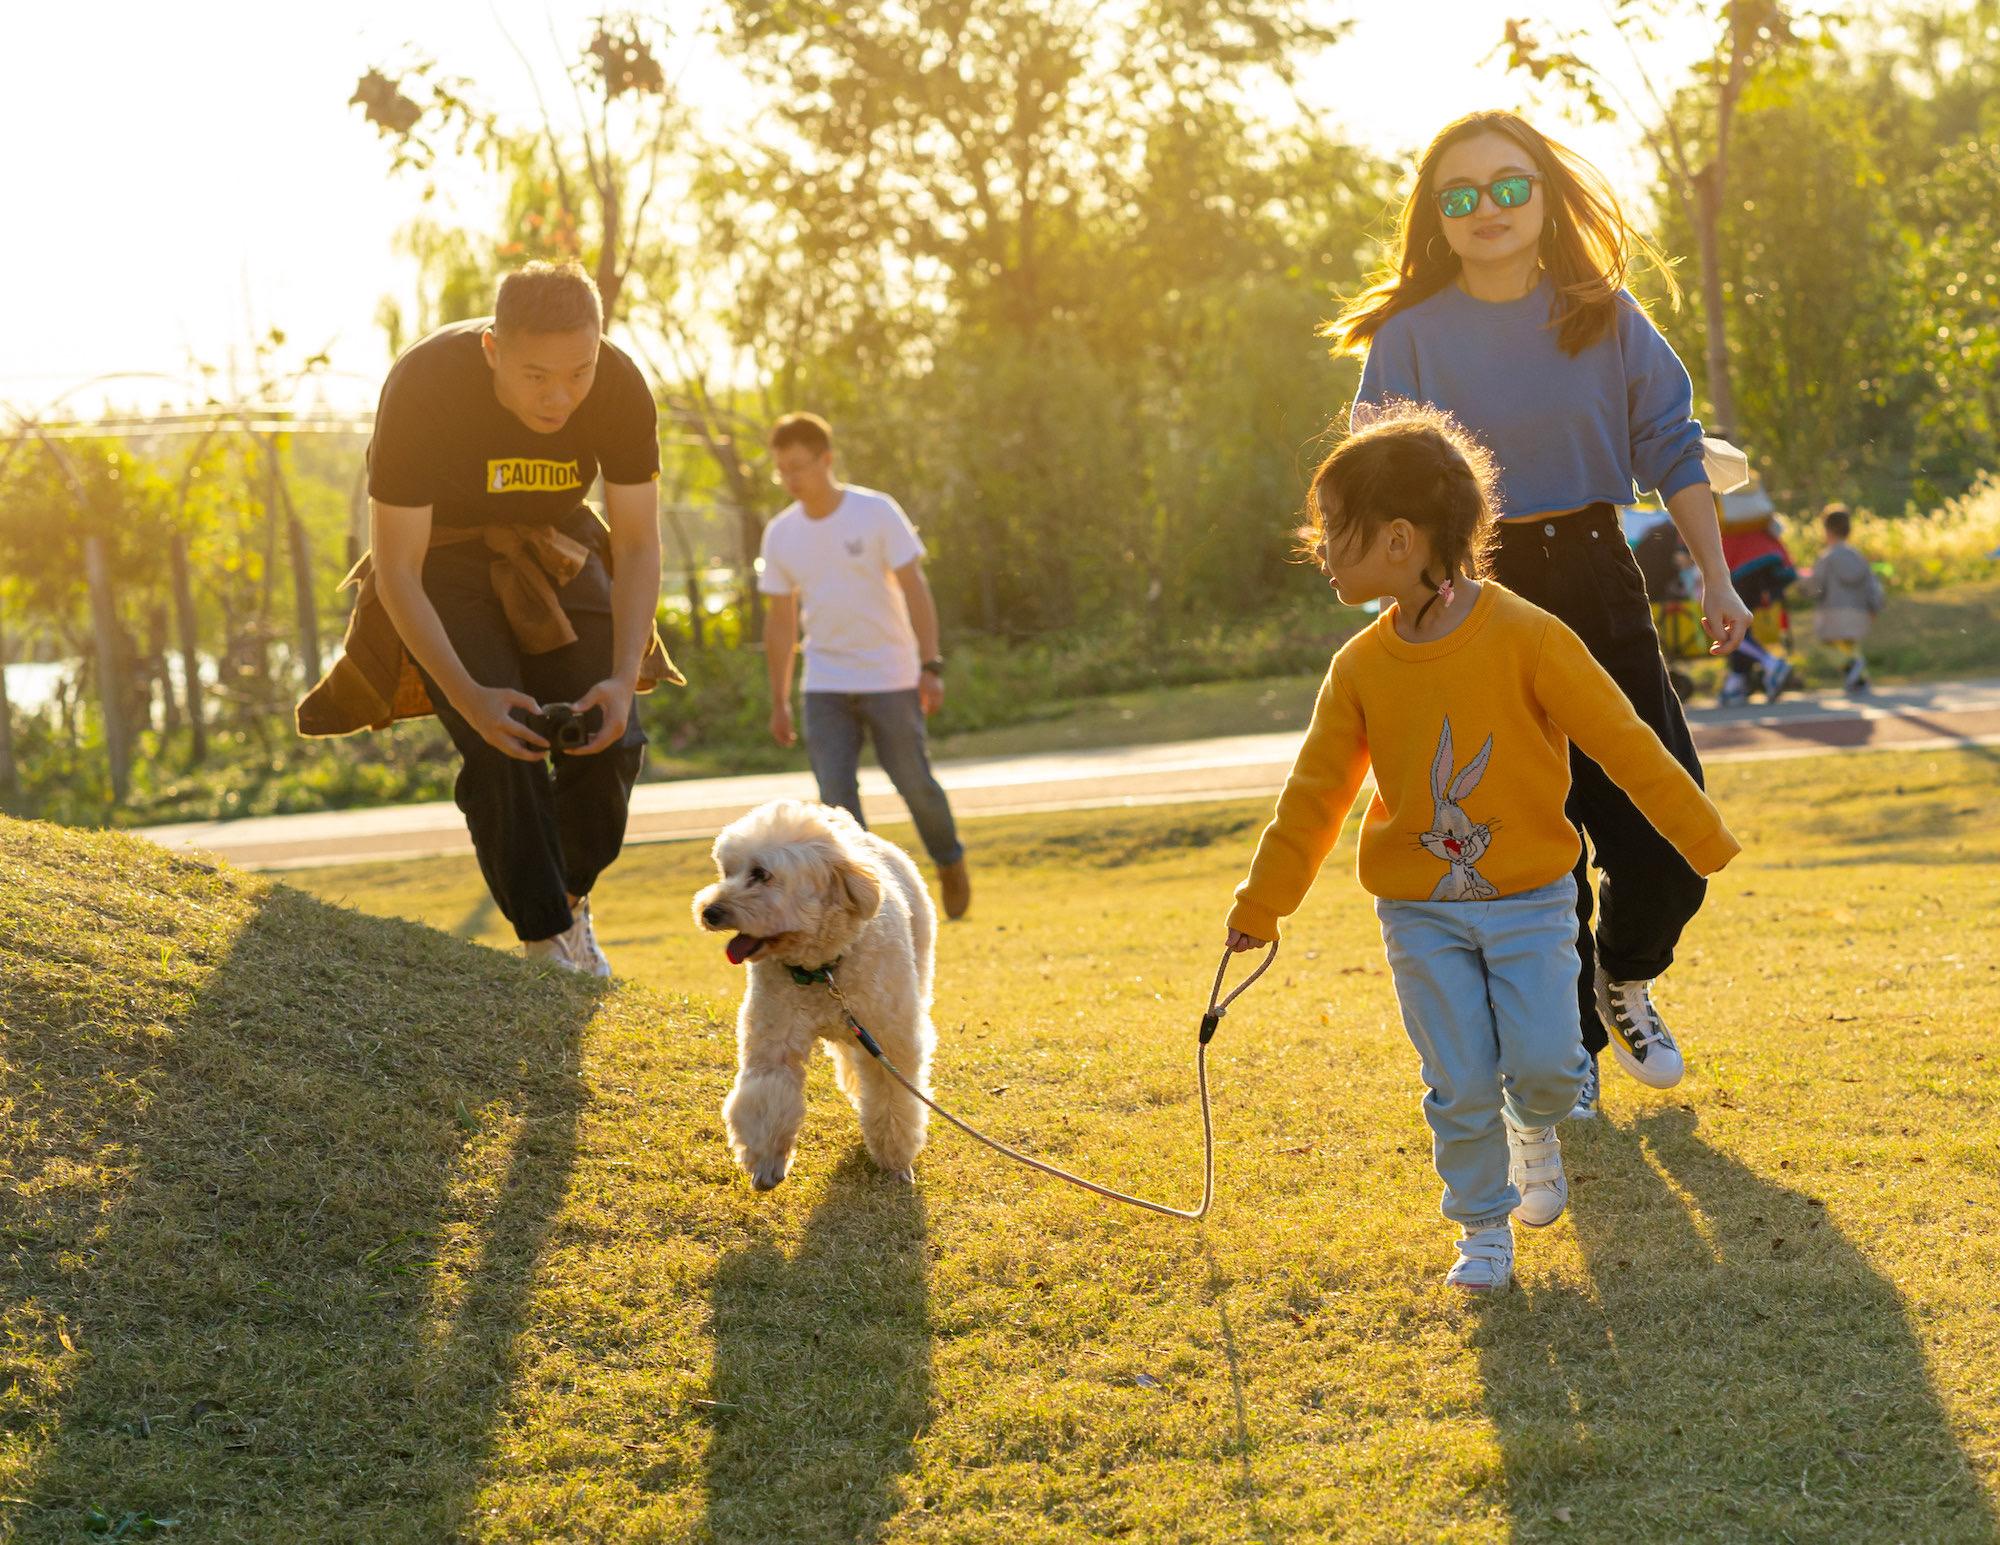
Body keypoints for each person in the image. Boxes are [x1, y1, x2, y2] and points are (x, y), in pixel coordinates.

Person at [1223, 404, 1738, 1292]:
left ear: (1395, 540)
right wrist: (1261, 905)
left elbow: (1621, 735)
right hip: (1419, 912)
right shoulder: (1358, 668)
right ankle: (1482, 1233)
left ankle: (1533, 1125)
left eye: (1330, 530)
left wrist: (1697, 833)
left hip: (1533, 900)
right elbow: (1313, 797)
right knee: (1457, 1078)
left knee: (1544, 1067)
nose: (1318, 548)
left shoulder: (1528, 635)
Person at [1329, 108, 1752, 1116]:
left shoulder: (1602, 316)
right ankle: (1565, 1061)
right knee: (1533, 834)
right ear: (1435, 212)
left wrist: (1716, 575)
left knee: (1666, 828)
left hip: (1596, 574)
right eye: (1460, 193)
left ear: (1544, 196)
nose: (1486, 208)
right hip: (1470, 591)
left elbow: (1672, 447)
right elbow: (1374, 484)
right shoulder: (1409, 337)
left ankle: (1622, 975)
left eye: (1508, 186)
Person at [299, 260, 680, 977]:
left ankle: (564, 899)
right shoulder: (424, 385)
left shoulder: (622, 386)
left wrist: (623, 679)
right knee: (506, 742)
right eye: (536, 375)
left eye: (579, 371)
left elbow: (636, 542)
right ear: (492, 350)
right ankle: (551, 949)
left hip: (555, 541)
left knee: (614, 737)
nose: (560, 396)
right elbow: (399, 570)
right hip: (443, 557)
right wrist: (470, 700)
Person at [758, 412, 971, 919]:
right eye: (782, 470)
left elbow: (916, 589)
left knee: (914, 782)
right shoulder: (781, 534)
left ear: (826, 460)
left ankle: (949, 861)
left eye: (799, 467)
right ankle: (869, 901)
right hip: (826, 683)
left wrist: (930, 664)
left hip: (890, 677)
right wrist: (780, 700)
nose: (791, 479)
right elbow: (781, 621)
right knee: (835, 799)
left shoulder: (875, 512)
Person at [1798, 504, 1885, 692]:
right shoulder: (1858, 557)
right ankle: (1860, 680)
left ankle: (1851, 668)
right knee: (1850, 645)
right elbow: (1872, 586)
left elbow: (1817, 586)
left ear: (1827, 530)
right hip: (1858, 611)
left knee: (1827, 643)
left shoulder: (1827, 558)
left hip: (1833, 612)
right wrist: (1874, 606)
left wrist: (1802, 585)